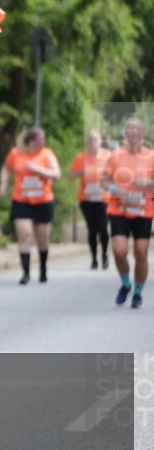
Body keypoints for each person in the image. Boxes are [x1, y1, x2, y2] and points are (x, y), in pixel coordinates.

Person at [0, 127, 61, 285]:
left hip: (43, 201)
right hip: (22, 201)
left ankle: (43, 269)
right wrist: (3, 183)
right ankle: (25, 273)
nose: (43, 142)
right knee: (25, 235)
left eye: (44, 139)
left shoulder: (47, 154)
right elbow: (6, 168)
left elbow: (57, 175)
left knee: (43, 238)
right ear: (31, 141)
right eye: (40, 139)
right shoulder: (16, 153)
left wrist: (38, 169)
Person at [105, 117, 153, 308]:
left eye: (137, 129)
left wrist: (148, 183)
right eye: (130, 129)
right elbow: (103, 180)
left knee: (141, 253)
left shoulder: (151, 156)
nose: (134, 132)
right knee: (119, 251)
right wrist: (115, 189)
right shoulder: (115, 156)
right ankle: (126, 284)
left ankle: (138, 293)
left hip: (143, 211)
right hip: (119, 209)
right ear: (125, 133)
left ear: (142, 133)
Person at [69, 131, 112, 270]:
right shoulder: (80, 158)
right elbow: (70, 176)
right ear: (86, 142)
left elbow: (116, 175)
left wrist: (107, 177)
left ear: (100, 141)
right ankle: (94, 258)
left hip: (103, 198)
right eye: (90, 140)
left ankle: (104, 255)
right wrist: (80, 172)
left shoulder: (108, 156)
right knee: (92, 229)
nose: (92, 142)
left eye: (95, 139)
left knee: (103, 228)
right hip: (86, 198)